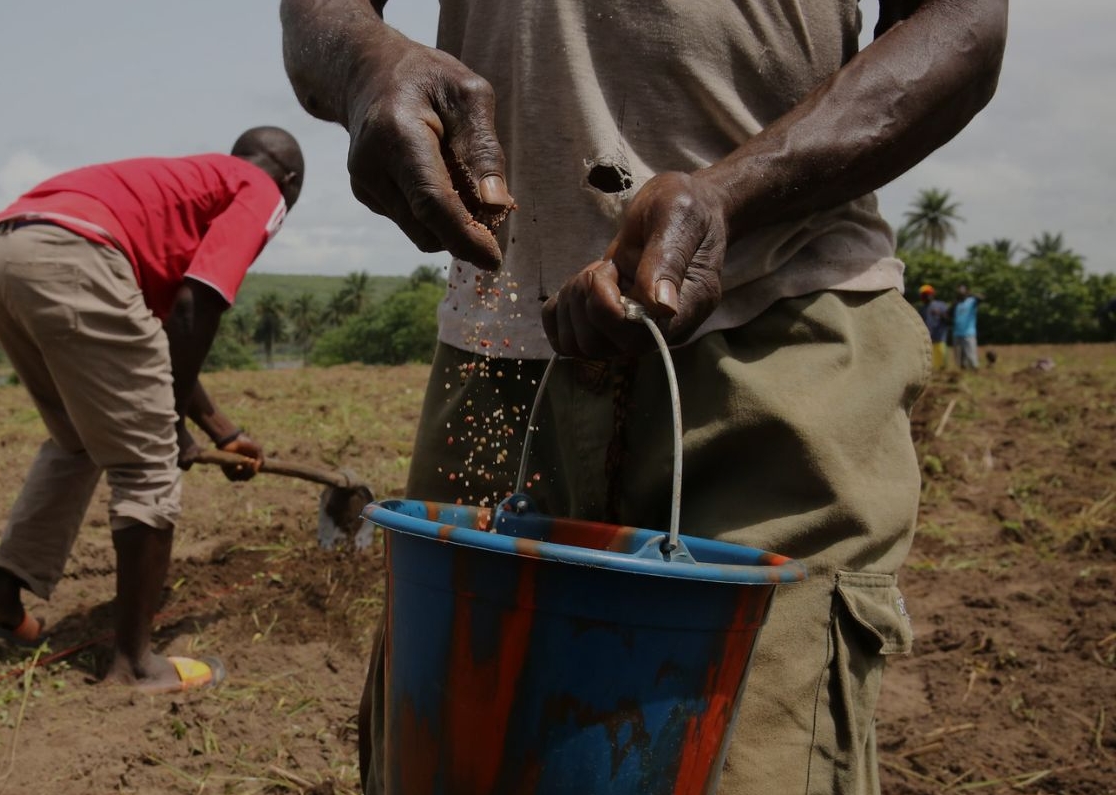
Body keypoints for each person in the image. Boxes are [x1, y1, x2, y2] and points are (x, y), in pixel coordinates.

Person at [281, 1, 1004, 792]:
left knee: (746, 761)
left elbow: (963, 25)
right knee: (450, 758)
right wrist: (363, 62)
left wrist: (729, 195)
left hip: (768, 330)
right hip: (498, 346)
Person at [0, 127, 305, 693]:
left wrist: (222, 431)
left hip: (0, 252)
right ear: (290, 182)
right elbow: (197, 305)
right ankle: (137, 665)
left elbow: (156, 335)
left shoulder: (180, 189)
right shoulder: (260, 188)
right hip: (74, 258)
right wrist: (167, 425)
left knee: (77, 441)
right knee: (146, 465)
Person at [952, 283, 982, 370]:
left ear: (966, 291)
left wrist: (970, 294)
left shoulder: (972, 301)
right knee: (959, 355)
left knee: (971, 353)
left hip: (968, 332)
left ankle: (974, 368)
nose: (960, 291)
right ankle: (962, 369)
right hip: (957, 333)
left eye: (962, 289)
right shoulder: (957, 303)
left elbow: (981, 298)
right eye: (959, 290)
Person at [920, 284, 951, 370]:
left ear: (932, 294)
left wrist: (939, 314)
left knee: (942, 359)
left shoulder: (941, 305)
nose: (927, 296)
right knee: (932, 363)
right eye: (925, 295)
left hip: (940, 337)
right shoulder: (922, 309)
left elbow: (948, 320)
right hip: (929, 339)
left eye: (928, 294)